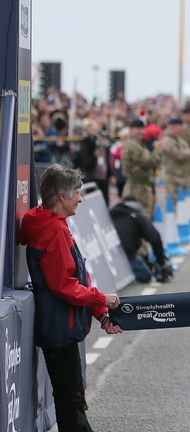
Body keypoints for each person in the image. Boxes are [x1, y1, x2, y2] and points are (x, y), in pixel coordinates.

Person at [20, 164, 122, 432]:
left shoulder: (53, 225)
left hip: (61, 324)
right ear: (62, 196)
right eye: (77, 192)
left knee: (71, 399)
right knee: (71, 401)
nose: (80, 198)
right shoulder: (53, 231)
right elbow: (64, 285)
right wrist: (102, 298)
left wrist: (101, 312)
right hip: (59, 326)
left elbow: (77, 277)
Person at [110, 196, 173, 283]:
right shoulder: (137, 216)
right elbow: (155, 238)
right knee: (145, 276)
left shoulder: (109, 215)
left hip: (110, 256)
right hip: (128, 255)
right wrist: (161, 262)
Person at [121, 119, 160, 217]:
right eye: (137, 128)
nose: (141, 131)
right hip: (136, 188)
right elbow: (149, 161)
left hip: (142, 186)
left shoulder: (139, 144)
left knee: (144, 217)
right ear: (131, 130)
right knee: (140, 218)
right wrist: (157, 149)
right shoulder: (132, 144)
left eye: (142, 128)